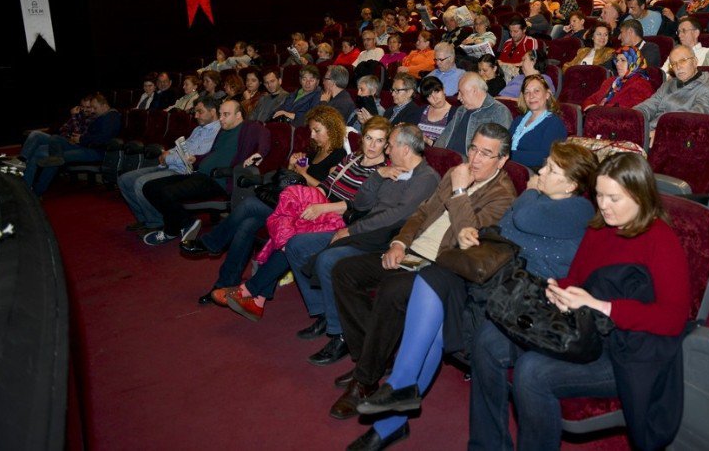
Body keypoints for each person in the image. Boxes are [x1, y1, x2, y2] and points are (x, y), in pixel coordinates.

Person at [350, 142, 598, 450]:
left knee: (435, 297)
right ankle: (396, 402)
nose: (540, 172)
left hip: (522, 301)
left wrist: (531, 189)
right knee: (433, 292)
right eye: (544, 165)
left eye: (551, 170)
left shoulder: (578, 208)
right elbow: (506, 230)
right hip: (495, 283)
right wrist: (477, 235)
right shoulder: (541, 200)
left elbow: (524, 220)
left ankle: (395, 404)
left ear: (573, 184)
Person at [469, 153, 691, 451]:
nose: (603, 205)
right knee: (487, 339)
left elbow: (673, 318)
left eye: (614, 198)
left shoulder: (660, 240)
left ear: (640, 195)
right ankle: (488, 445)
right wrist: (557, 291)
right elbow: (576, 278)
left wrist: (603, 307)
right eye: (599, 195)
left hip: (628, 351)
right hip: (584, 329)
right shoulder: (599, 228)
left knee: (532, 371)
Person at [327, 124, 518, 420]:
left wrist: (460, 191)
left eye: (486, 154)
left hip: (441, 268)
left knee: (392, 291)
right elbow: (422, 213)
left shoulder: (503, 196)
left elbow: (465, 236)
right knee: (344, 271)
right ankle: (375, 355)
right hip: (412, 252)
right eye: (473, 149)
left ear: (502, 160)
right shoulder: (457, 170)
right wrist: (400, 242)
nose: (476, 159)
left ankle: (364, 380)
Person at [184, 112, 385, 304]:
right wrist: (299, 181)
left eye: (379, 141)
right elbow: (324, 187)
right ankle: (228, 283)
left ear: (386, 145)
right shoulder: (350, 159)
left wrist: (316, 201)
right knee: (248, 223)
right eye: (368, 138)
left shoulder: (379, 171)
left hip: (329, 215)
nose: (372, 146)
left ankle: (218, 252)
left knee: (252, 206)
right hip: (310, 204)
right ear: (362, 138)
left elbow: (357, 204)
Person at [281, 124, 440, 351]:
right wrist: (377, 176)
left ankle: (340, 334)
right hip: (365, 229)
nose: (386, 151)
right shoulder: (390, 169)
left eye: (390, 146)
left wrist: (351, 231)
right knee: (296, 245)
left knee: (328, 260)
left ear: (405, 149)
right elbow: (361, 203)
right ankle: (325, 312)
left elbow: (394, 217)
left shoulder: (426, 178)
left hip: (385, 239)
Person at [140, 100, 269, 246]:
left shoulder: (249, 127)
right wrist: (197, 159)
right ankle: (185, 222)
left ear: (238, 115)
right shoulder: (223, 130)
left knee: (166, 192)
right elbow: (214, 154)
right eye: (220, 114)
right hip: (199, 174)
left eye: (226, 114)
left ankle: (173, 229)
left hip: (217, 181)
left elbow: (264, 134)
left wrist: (260, 153)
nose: (221, 118)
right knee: (149, 187)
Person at [120, 97, 221, 232]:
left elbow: (193, 158)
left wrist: (168, 158)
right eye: (195, 112)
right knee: (124, 179)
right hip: (171, 165)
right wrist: (167, 152)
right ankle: (144, 218)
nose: (196, 116)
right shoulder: (198, 129)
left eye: (200, 112)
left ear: (213, 111)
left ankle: (156, 222)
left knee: (140, 183)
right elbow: (183, 147)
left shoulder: (217, 131)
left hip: (182, 171)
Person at [23, 93, 123, 197]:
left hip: (96, 151)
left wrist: (81, 138)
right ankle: (25, 187)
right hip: (85, 145)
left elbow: (102, 139)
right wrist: (78, 138)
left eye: (94, 107)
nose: (92, 110)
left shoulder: (111, 116)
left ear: (104, 106)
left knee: (51, 157)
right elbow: (67, 130)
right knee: (50, 143)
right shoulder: (102, 116)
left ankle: (35, 192)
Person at [637, 44, 709, 141]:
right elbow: (649, 105)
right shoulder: (669, 84)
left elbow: (694, 120)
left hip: (681, 139)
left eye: (683, 60)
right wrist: (632, 117)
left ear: (695, 62)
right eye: (673, 63)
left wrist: (662, 133)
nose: (678, 67)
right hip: (651, 132)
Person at [434, 73, 512, 157]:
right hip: (446, 159)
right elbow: (444, 137)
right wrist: (434, 156)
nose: (458, 97)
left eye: (461, 92)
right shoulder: (461, 110)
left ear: (474, 91)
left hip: (469, 164)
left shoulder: (499, 111)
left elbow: (499, 150)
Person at [505, 75, 567, 168]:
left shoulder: (554, 123)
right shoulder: (518, 120)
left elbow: (545, 157)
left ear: (547, 94)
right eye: (527, 92)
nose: (531, 96)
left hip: (535, 174)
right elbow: (504, 144)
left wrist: (506, 155)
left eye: (536, 91)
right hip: (509, 168)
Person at [583, 45, 655, 111]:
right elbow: (591, 99)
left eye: (623, 60)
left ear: (634, 63)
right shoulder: (611, 81)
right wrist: (591, 108)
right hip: (597, 118)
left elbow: (637, 113)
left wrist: (599, 110)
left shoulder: (641, 84)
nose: (617, 64)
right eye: (617, 60)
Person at [417, 75, 458, 145]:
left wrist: (428, 141)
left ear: (443, 90)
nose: (435, 98)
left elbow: (452, 144)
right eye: (429, 96)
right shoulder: (422, 110)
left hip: (440, 154)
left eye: (437, 92)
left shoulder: (455, 113)